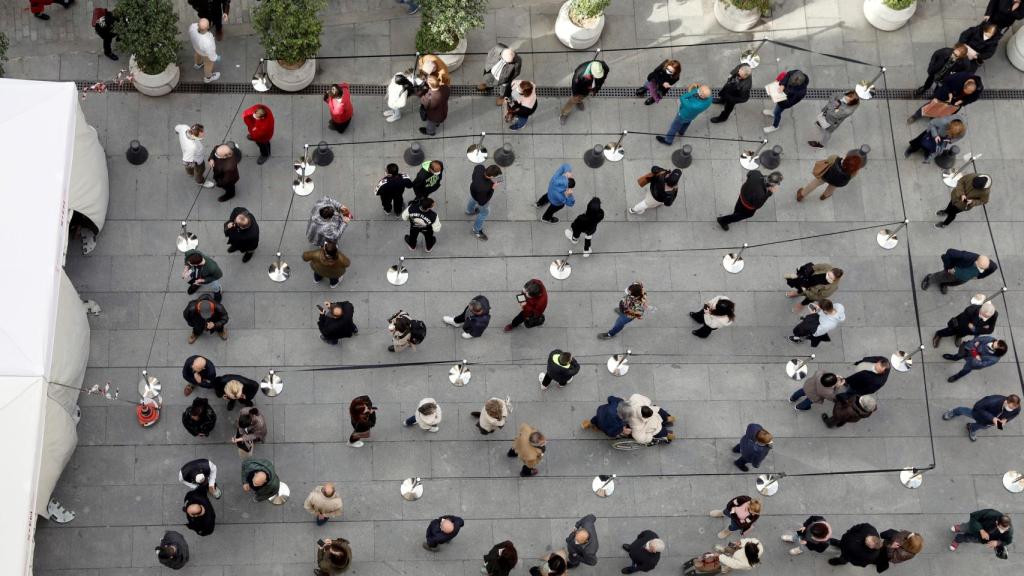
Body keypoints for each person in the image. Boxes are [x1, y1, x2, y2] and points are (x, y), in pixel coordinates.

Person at [908, 71, 982, 124]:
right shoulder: (960, 77)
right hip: (945, 95)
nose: (965, 93)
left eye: (969, 93)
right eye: (965, 91)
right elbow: (946, 81)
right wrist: (949, 93)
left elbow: (973, 99)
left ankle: (933, 116)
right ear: (965, 84)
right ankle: (916, 115)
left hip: (956, 103)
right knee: (931, 105)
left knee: (945, 111)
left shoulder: (978, 89)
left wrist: (963, 101)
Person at [717, 170, 781, 230]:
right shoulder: (760, 193)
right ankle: (723, 220)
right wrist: (769, 193)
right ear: (772, 184)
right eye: (777, 184)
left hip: (742, 195)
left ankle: (735, 213)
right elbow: (757, 205)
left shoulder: (756, 173)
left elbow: (749, 174)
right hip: (748, 206)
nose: (777, 185)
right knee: (743, 215)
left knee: (738, 209)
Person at [944, 393, 1020, 441]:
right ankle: (953, 412)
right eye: (1010, 407)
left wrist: (1006, 420)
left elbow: (1014, 414)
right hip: (979, 415)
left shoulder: (1016, 408)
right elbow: (978, 407)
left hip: (989, 423)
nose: (1012, 409)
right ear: (1006, 402)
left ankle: (971, 428)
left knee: (980, 427)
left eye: (1014, 408)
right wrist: (992, 418)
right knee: (963, 411)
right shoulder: (992, 400)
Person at [920, 248, 998, 294]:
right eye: (980, 268)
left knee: (954, 283)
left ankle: (944, 284)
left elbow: (991, 270)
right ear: (976, 261)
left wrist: (978, 277)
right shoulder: (967, 256)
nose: (981, 270)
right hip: (954, 272)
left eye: (983, 269)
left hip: (965, 277)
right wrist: (949, 267)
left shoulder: (990, 265)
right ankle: (929, 279)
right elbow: (950, 252)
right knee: (941, 276)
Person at [796, 153, 862, 202]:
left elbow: (827, 161)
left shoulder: (835, 158)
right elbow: (850, 178)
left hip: (826, 175)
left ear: (847, 158)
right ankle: (824, 196)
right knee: (831, 188)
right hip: (837, 182)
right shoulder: (854, 172)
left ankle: (802, 194)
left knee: (815, 183)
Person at [933, 298, 997, 348]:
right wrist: (982, 328)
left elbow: (990, 330)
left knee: (963, 334)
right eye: (985, 316)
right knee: (950, 331)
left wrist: (974, 328)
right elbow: (963, 323)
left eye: (988, 317)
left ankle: (959, 336)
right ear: (981, 310)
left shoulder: (994, 314)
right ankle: (939, 334)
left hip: (970, 330)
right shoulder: (970, 310)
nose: (985, 319)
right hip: (960, 325)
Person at [560, 59, 608, 125]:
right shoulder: (579, 74)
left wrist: (596, 90)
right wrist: (576, 95)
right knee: (573, 101)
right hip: (580, 89)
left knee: (582, 96)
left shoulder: (603, 67)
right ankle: (564, 113)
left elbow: (603, 79)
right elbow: (575, 85)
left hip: (588, 90)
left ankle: (579, 101)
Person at [943, 336, 1007, 382]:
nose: (996, 341)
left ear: (998, 350)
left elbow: (981, 364)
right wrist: (976, 354)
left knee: (965, 370)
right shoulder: (990, 339)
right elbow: (975, 340)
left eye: (998, 344)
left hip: (972, 362)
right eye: (999, 341)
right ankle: (954, 358)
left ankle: (957, 376)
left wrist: (976, 347)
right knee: (959, 355)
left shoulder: (994, 359)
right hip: (970, 351)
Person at [763, 69, 808, 133]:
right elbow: (788, 74)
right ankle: (773, 112)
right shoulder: (796, 73)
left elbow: (789, 103)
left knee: (777, 113)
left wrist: (778, 98)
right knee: (776, 110)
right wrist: (782, 85)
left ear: (798, 84)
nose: (790, 83)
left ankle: (775, 126)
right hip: (781, 94)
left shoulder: (801, 93)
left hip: (783, 103)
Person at [467, 164, 503, 241]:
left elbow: (477, 168)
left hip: (473, 190)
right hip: (481, 196)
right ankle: (476, 230)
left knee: (472, 200)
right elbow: (483, 201)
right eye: (494, 176)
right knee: (484, 213)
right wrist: (493, 188)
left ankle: (469, 211)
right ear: (491, 176)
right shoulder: (486, 187)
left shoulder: (479, 167)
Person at [188, 18, 220, 84]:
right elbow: (211, 53)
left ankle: (198, 64)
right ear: (208, 27)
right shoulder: (208, 42)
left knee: (197, 54)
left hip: (196, 47)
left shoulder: (192, 27)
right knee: (208, 64)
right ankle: (208, 78)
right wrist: (215, 58)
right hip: (205, 53)